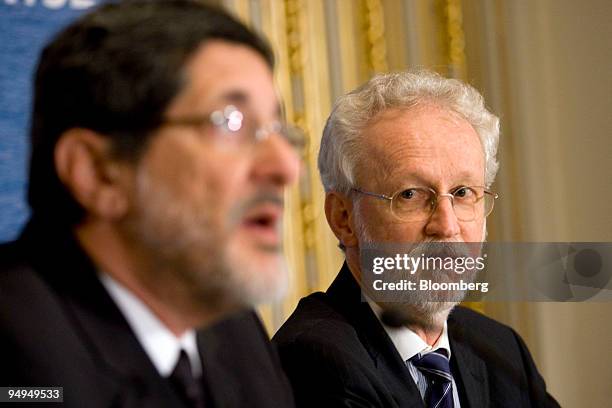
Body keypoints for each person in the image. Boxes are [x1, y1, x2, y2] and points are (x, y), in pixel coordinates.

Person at [0, 1, 300, 407]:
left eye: (277, 129)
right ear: (98, 172)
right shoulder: (18, 358)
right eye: (231, 121)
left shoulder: (236, 331)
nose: (286, 167)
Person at [273, 70, 559, 407]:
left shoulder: (502, 351)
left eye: (464, 192)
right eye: (410, 195)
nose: (447, 226)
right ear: (343, 218)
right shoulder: (316, 359)